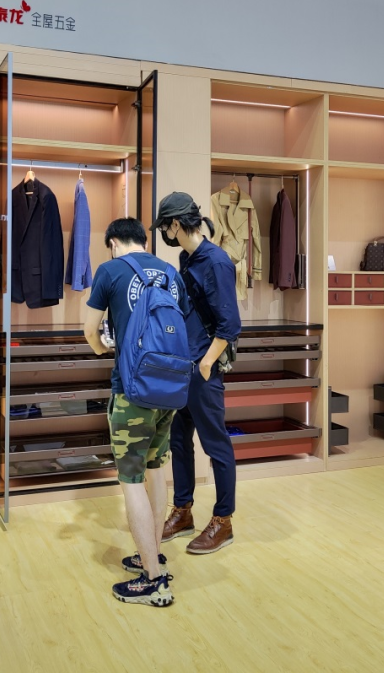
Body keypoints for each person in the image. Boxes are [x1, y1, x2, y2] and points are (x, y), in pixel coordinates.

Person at [84, 217, 189, 607]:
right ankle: (153, 554)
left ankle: (154, 581)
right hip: (169, 388)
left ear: (113, 242)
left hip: (131, 390)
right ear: (144, 241)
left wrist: (103, 349)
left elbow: (90, 330)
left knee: (131, 480)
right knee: (157, 471)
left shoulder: (110, 271)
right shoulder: (171, 273)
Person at [153, 192, 241, 554]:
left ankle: (223, 520)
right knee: (179, 441)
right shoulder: (185, 258)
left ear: (176, 224)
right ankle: (183, 511)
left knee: (215, 444)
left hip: (203, 370)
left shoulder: (216, 262)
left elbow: (230, 324)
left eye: (165, 227)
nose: (165, 234)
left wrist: (205, 364)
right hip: (182, 366)